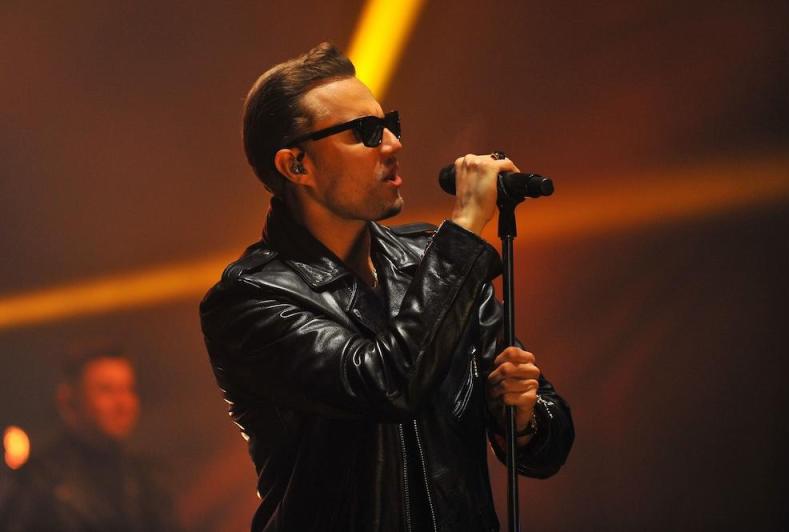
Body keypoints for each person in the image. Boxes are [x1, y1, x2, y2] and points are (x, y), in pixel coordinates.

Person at [199, 42, 574, 532]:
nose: (394, 144)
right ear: (297, 165)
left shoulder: (431, 261)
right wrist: (464, 227)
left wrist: (523, 421)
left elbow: (549, 441)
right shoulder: (250, 298)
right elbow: (385, 384)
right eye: (366, 132)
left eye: (390, 124)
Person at [0, 348, 179, 531]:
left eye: (128, 389)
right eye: (106, 390)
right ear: (69, 401)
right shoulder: (40, 481)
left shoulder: (147, 478)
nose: (122, 403)